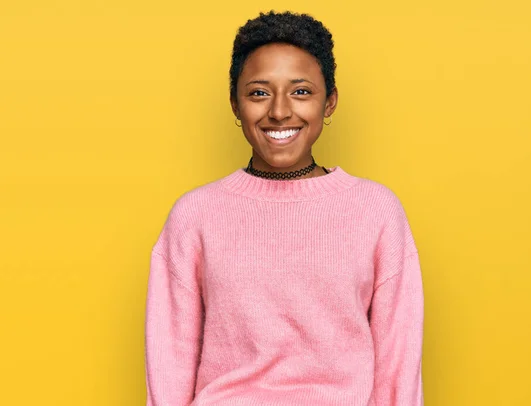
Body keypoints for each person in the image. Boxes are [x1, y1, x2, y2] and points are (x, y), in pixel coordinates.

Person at [145, 10, 424, 406]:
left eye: (301, 91)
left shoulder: (376, 211)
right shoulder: (195, 215)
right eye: (259, 92)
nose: (279, 111)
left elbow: (400, 364)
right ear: (235, 104)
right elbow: (168, 361)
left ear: (329, 103)